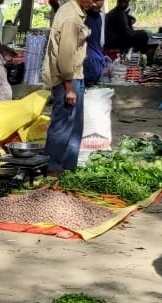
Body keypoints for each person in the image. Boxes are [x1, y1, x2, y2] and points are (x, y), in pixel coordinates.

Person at [42, 0, 96, 175]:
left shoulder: (72, 11)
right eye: (94, 0)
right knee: (63, 125)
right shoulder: (71, 18)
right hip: (68, 79)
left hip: (74, 77)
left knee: (73, 126)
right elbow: (65, 56)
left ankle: (67, 166)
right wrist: (69, 86)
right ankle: (54, 167)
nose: (96, 4)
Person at [83, 3, 108, 85]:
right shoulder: (82, 18)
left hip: (96, 57)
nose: (97, 3)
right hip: (88, 61)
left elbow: (96, 42)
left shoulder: (98, 18)